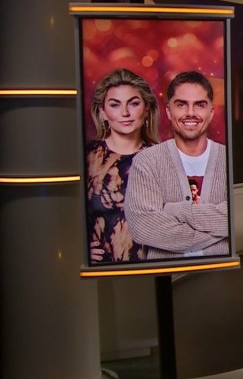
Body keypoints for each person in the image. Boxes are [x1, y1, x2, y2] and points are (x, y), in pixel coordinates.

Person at [124, 70, 229, 259]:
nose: (191, 113)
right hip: (167, 275)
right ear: (168, 111)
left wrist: (176, 210)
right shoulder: (147, 161)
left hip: (221, 272)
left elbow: (239, 216)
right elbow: (143, 227)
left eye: (199, 105)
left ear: (211, 112)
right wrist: (219, 233)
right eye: (181, 105)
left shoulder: (229, 159)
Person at [85, 68, 160, 263]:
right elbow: (62, 215)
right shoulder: (86, 157)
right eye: (115, 105)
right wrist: (77, 247)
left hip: (152, 268)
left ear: (146, 109)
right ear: (102, 112)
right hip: (100, 272)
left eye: (133, 103)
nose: (125, 113)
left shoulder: (163, 159)